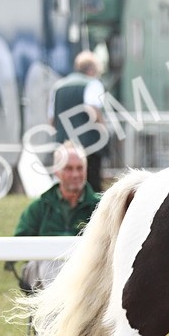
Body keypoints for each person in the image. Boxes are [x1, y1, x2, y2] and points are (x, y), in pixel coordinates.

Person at [13, 142, 100, 292]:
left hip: (86, 273)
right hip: (41, 274)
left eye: (79, 168)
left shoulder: (100, 207)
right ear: (56, 171)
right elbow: (18, 244)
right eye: (69, 168)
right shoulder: (39, 207)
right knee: (52, 259)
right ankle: (61, 303)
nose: (75, 174)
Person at [49, 51, 107, 192]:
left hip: (64, 146)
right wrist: (103, 129)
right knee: (92, 188)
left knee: (65, 187)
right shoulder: (93, 83)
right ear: (92, 69)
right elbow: (92, 110)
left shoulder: (58, 86)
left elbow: (51, 119)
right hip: (89, 146)